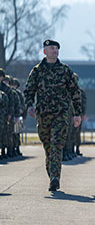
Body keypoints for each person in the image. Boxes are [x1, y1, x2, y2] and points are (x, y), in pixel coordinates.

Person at [23, 39, 82, 192]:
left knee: (56, 145)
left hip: (61, 114)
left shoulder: (65, 70)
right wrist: (29, 105)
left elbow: (75, 92)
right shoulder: (37, 71)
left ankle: (55, 178)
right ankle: (52, 173)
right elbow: (28, 90)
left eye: (56, 48)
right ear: (45, 51)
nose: (54, 51)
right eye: (51, 48)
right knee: (48, 147)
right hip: (43, 115)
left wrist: (77, 114)